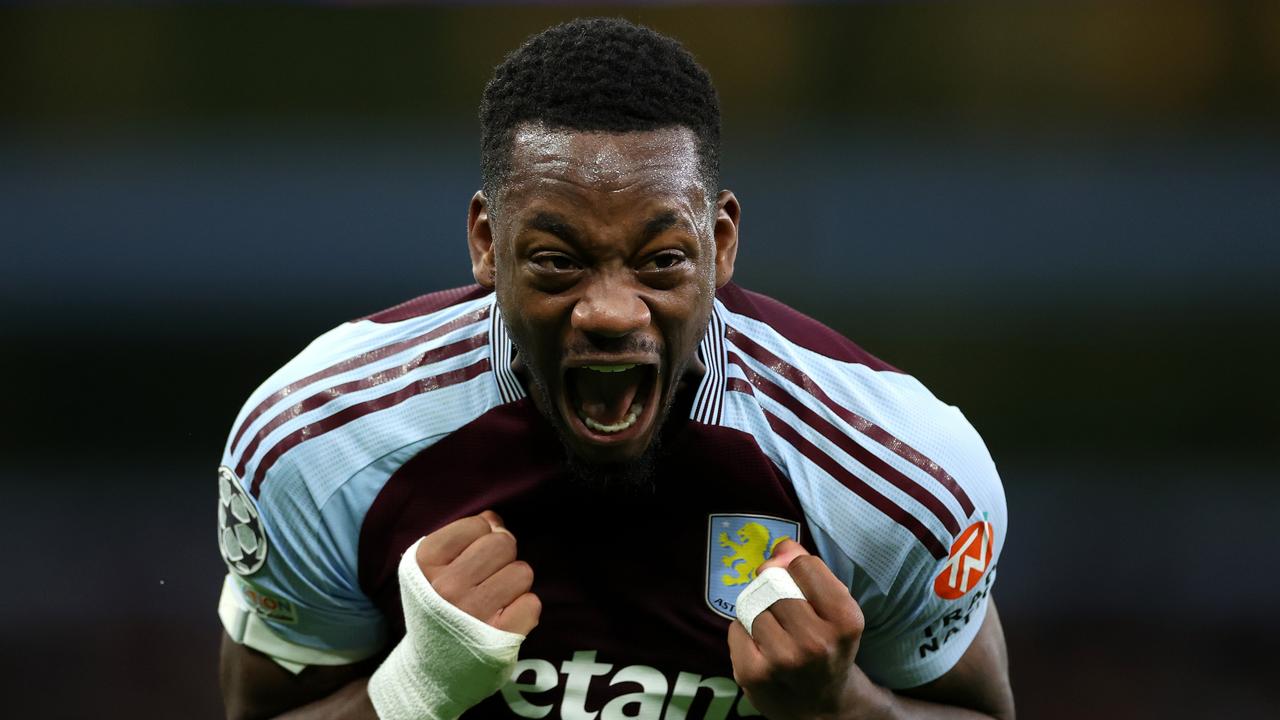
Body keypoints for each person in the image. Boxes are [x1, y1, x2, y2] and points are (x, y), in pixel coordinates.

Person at [216, 17, 1013, 720]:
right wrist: (411, 690)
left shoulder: (898, 474)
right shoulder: (318, 443)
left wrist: (841, 710)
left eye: (661, 260)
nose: (610, 313)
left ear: (721, 242)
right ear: (487, 243)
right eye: (558, 262)